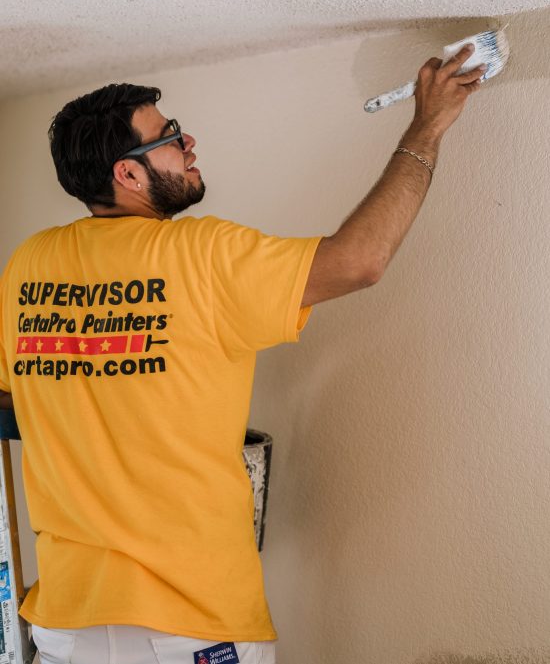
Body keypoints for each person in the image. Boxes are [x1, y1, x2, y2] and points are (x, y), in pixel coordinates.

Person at [0, 45, 485, 664]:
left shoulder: (28, 266)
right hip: (186, 625)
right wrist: (428, 125)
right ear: (127, 174)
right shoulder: (200, 255)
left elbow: (15, 388)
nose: (188, 141)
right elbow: (360, 260)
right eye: (168, 136)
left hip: (67, 626)